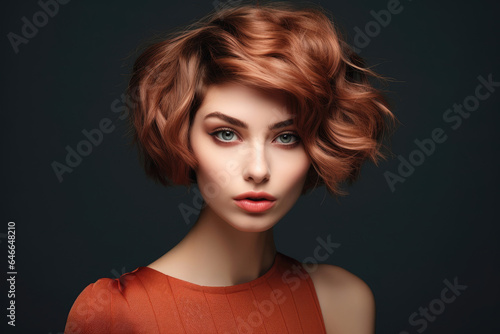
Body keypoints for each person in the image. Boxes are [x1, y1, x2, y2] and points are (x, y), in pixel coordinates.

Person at [64, 1, 396, 333]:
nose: (258, 169)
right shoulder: (115, 312)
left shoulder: (342, 302)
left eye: (286, 137)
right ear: (183, 135)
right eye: (226, 134)